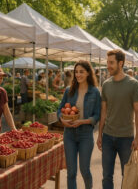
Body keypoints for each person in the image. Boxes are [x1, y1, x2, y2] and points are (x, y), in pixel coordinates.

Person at [97, 49, 138, 189]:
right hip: (108, 137)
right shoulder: (106, 84)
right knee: (106, 176)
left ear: (120, 63)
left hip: (126, 138)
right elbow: (103, 112)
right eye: (107, 62)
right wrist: (99, 134)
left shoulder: (133, 84)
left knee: (127, 175)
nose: (108, 66)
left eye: (111, 63)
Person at [57, 60, 101, 189]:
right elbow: (60, 109)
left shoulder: (95, 92)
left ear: (88, 73)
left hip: (85, 135)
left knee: (85, 170)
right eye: (76, 72)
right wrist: (62, 119)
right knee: (71, 172)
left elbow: (97, 115)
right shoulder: (68, 90)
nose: (78, 74)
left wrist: (83, 121)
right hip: (69, 135)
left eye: (81, 71)